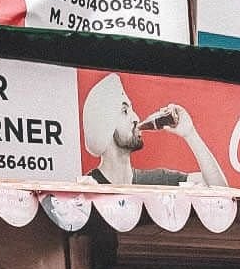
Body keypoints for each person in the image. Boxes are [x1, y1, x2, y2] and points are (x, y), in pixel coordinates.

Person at [82, 72, 228, 188]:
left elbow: (219, 189)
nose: (136, 118)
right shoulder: (87, 189)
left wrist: (190, 133)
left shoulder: (157, 181)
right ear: (103, 125)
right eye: (125, 111)